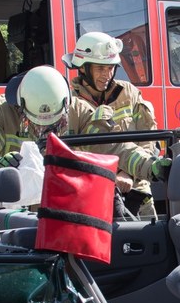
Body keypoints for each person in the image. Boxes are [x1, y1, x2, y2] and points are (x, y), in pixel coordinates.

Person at [0, 65, 169, 185]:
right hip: (13, 203)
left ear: (66, 103)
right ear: (21, 106)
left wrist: (151, 166)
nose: (45, 131)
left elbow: (114, 146)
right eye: (37, 123)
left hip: (62, 202)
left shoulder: (79, 110)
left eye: (55, 123)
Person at [64, 32, 158, 214]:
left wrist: (128, 174)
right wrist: (111, 176)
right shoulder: (69, 104)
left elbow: (149, 139)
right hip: (91, 196)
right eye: (100, 68)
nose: (107, 75)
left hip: (137, 192)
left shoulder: (129, 93)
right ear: (82, 68)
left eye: (111, 68)